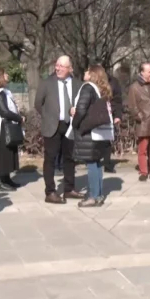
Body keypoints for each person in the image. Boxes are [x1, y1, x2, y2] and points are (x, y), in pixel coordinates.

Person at [35, 55, 84, 204]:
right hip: (52, 126)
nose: (58, 68)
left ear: (70, 68)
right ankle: (50, 192)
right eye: (57, 65)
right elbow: (38, 103)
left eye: (62, 66)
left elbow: (81, 102)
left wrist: (77, 111)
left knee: (69, 158)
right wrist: (48, 117)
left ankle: (69, 189)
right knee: (50, 158)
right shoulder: (46, 83)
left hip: (69, 125)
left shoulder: (77, 84)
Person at [70, 65, 115, 207]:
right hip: (99, 132)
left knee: (91, 164)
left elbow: (81, 109)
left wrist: (75, 122)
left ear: (92, 74)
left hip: (88, 132)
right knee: (96, 163)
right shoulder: (101, 90)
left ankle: (93, 196)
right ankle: (99, 195)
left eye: (87, 70)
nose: (84, 72)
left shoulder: (87, 88)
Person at [0, 68, 24, 192]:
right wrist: (19, 118)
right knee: (2, 155)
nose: (7, 75)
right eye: (5, 73)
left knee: (7, 155)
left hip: (4, 127)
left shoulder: (2, 92)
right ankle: (0, 182)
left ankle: (6, 179)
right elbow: (4, 111)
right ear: (0, 77)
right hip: (2, 128)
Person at [103, 69, 123, 173]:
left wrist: (118, 115)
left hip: (109, 113)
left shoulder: (113, 82)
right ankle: (94, 163)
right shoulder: (91, 82)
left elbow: (118, 100)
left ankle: (107, 163)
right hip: (94, 114)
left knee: (107, 140)